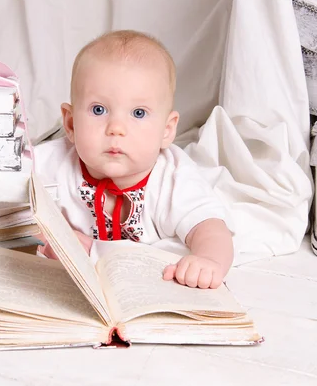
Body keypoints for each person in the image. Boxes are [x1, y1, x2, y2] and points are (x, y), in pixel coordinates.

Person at [34, 29, 234, 289]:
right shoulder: (50, 163)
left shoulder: (172, 175)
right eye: (99, 110)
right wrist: (53, 237)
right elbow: (5, 207)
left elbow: (212, 229)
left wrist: (207, 261)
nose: (116, 128)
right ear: (71, 123)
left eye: (138, 113)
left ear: (166, 130)